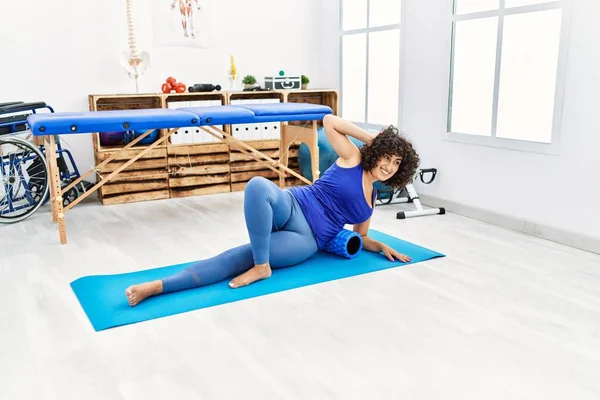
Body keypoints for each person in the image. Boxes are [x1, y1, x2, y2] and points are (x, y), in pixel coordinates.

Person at [125, 114, 421, 306]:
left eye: (396, 164)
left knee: (237, 258)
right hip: (294, 203)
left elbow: (362, 237)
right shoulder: (353, 157)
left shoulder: (370, 202)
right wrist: (375, 140)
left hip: (307, 239)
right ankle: (261, 263)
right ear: (377, 152)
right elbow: (329, 121)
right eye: (387, 157)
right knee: (257, 185)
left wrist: (381, 246)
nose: (388, 166)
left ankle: (158, 286)